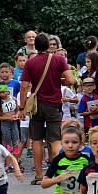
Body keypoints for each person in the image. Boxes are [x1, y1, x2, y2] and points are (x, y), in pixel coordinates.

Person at [19, 33, 76, 185]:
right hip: (54, 104)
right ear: (49, 45)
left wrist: (22, 107)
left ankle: (38, 175)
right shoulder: (59, 59)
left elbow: (24, 86)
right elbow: (70, 80)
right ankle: (62, 173)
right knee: (55, 140)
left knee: (36, 140)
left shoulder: (30, 63)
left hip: (37, 105)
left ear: (36, 46)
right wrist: (61, 78)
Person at [0, 84, 20, 154]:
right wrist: (9, 117)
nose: (1, 94)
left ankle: (17, 160)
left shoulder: (13, 99)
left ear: (7, 91)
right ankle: (9, 159)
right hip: (5, 124)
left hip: (14, 123)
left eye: (3, 92)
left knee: (16, 142)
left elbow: (18, 110)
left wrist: (16, 115)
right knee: (8, 143)